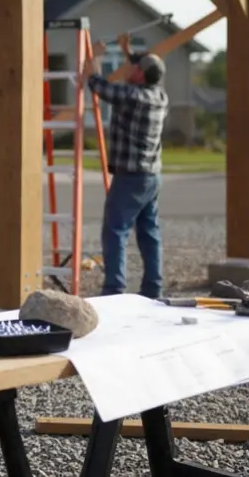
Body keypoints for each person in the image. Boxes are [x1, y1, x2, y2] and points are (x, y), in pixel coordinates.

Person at [81, 33, 169, 299]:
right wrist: (127, 50)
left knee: (115, 230)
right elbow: (144, 66)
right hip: (151, 177)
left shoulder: (133, 96)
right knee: (149, 233)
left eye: (134, 68)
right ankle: (153, 288)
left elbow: (97, 84)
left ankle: (114, 289)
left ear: (141, 76)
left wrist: (94, 58)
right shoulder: (159, 96)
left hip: (131, 177)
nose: (130, 69)